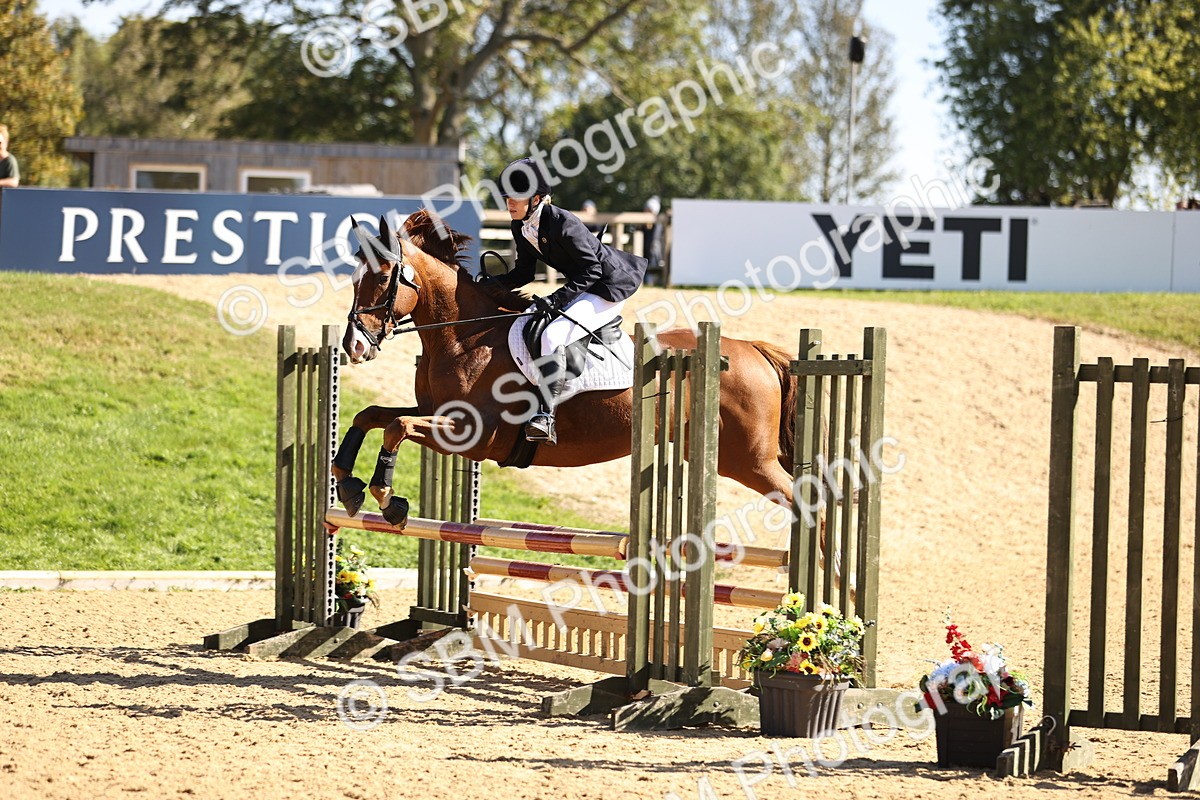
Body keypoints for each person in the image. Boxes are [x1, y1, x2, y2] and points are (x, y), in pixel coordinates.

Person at [491, 157, 648, 446]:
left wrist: (554, 300)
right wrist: (489, 286)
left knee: (552, 335)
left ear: (536, 199)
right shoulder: (520, 226)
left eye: (516, 198)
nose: (509, 203)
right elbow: (525, 272)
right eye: (506, 197)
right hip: (584, 284)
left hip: (608, 287)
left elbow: (593, 271)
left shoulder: (563, 223)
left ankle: (546, 417)